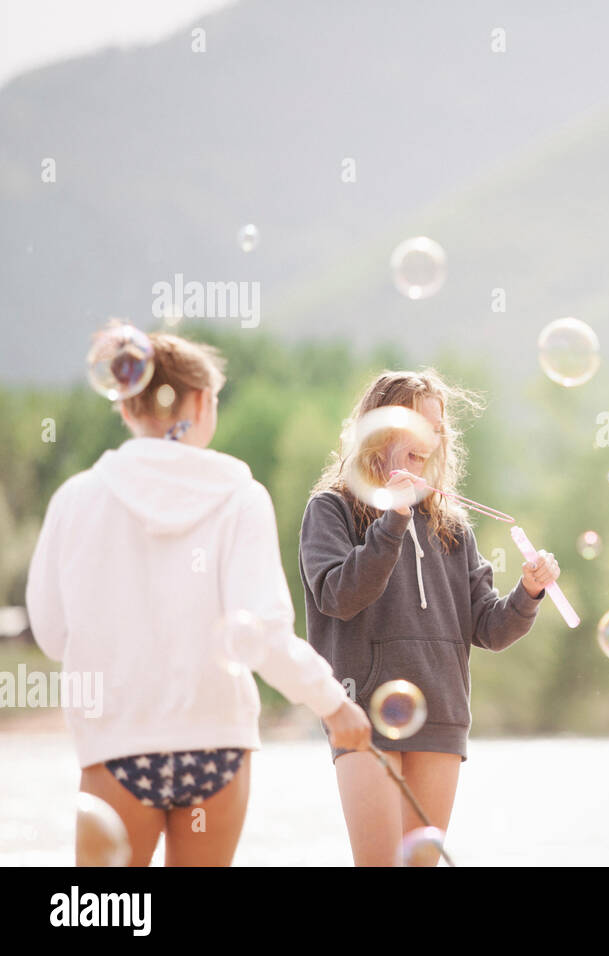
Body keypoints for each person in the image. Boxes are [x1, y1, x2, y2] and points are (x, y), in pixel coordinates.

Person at [25, 323, 371, 866]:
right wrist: (333, 703)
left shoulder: (77, 499)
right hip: (216, 744)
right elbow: (262, 636)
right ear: (203, 400)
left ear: (126, 406)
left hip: (118, 742)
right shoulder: (239, 496)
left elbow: (50, 635)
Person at [299, 368, 559, 866]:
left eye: (437, 427)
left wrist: (527, 592)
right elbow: (340, 595)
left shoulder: (452, 527)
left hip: (440, 713)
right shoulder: (331, 510)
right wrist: (393, 519)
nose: (431, 438)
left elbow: (488, 627)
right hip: (363, 714)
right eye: (418, 424)